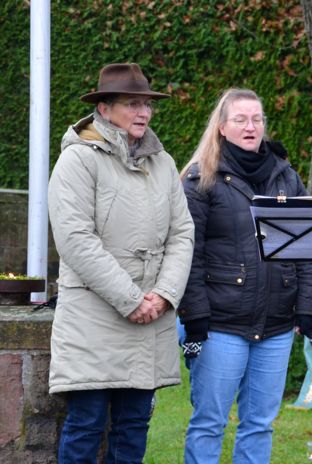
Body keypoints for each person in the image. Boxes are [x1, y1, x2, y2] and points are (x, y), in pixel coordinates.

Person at [47, 62, 194, 463]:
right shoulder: (77, 161)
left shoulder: (161, 163)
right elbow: (76, 241)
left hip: (149, 317)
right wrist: (133, 300)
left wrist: (163, 295)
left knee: (133, 428)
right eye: (133, 104)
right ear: (105, 109)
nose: (143, 112)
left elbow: (182, 234)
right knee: (86, 425)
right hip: (94, 318)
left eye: (147, 104)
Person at [178, 88, 312, 464]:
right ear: (222, 127)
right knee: (210, 422)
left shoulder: (285, 177)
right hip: (219, 324)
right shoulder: (200, 180)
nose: (250, 126)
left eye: (257, 119)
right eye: (240, 119)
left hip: (275, 325)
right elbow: (187, 256)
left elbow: (307, 250)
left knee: (259, 423)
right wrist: (195, 317)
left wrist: (308, 308)